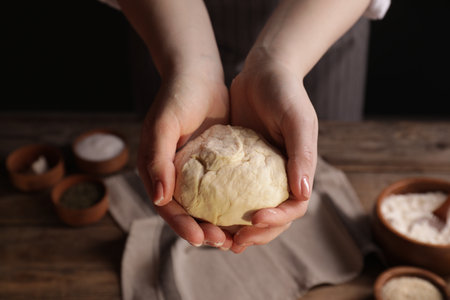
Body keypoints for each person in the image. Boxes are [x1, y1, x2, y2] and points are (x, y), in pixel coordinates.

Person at [109, 0, 390, 253]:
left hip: (321, 25)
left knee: (316, 171)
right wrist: (191, 68)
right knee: (164, 155)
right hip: (168, 24)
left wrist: (278, 64)